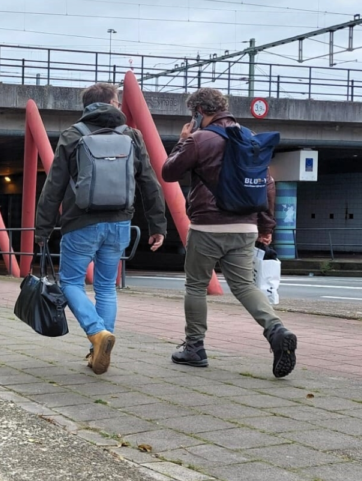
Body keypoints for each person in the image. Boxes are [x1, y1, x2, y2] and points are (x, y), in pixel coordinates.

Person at [160, 87, 297, 378]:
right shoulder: (249, 138)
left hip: (207, 226)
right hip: (245, 226)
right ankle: (276, 330)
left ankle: (194, 348)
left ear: (199, 111)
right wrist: (266, 227)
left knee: (196, 286)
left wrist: (182, 140)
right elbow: (267, 184)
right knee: (245, 286)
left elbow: (169, 173)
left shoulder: (199, 139)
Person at [35, 83, 167, 375]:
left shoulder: (73, 135)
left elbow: (54, 185)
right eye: (117, 100)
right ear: (111, 102)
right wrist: (158, 223)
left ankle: (97, 333)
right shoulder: (131, 135)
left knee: (71, 282)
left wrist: (42, 229)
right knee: (106, 286)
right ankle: (98, 346)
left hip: (80, 223)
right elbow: (149, 182)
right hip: (119, 223)